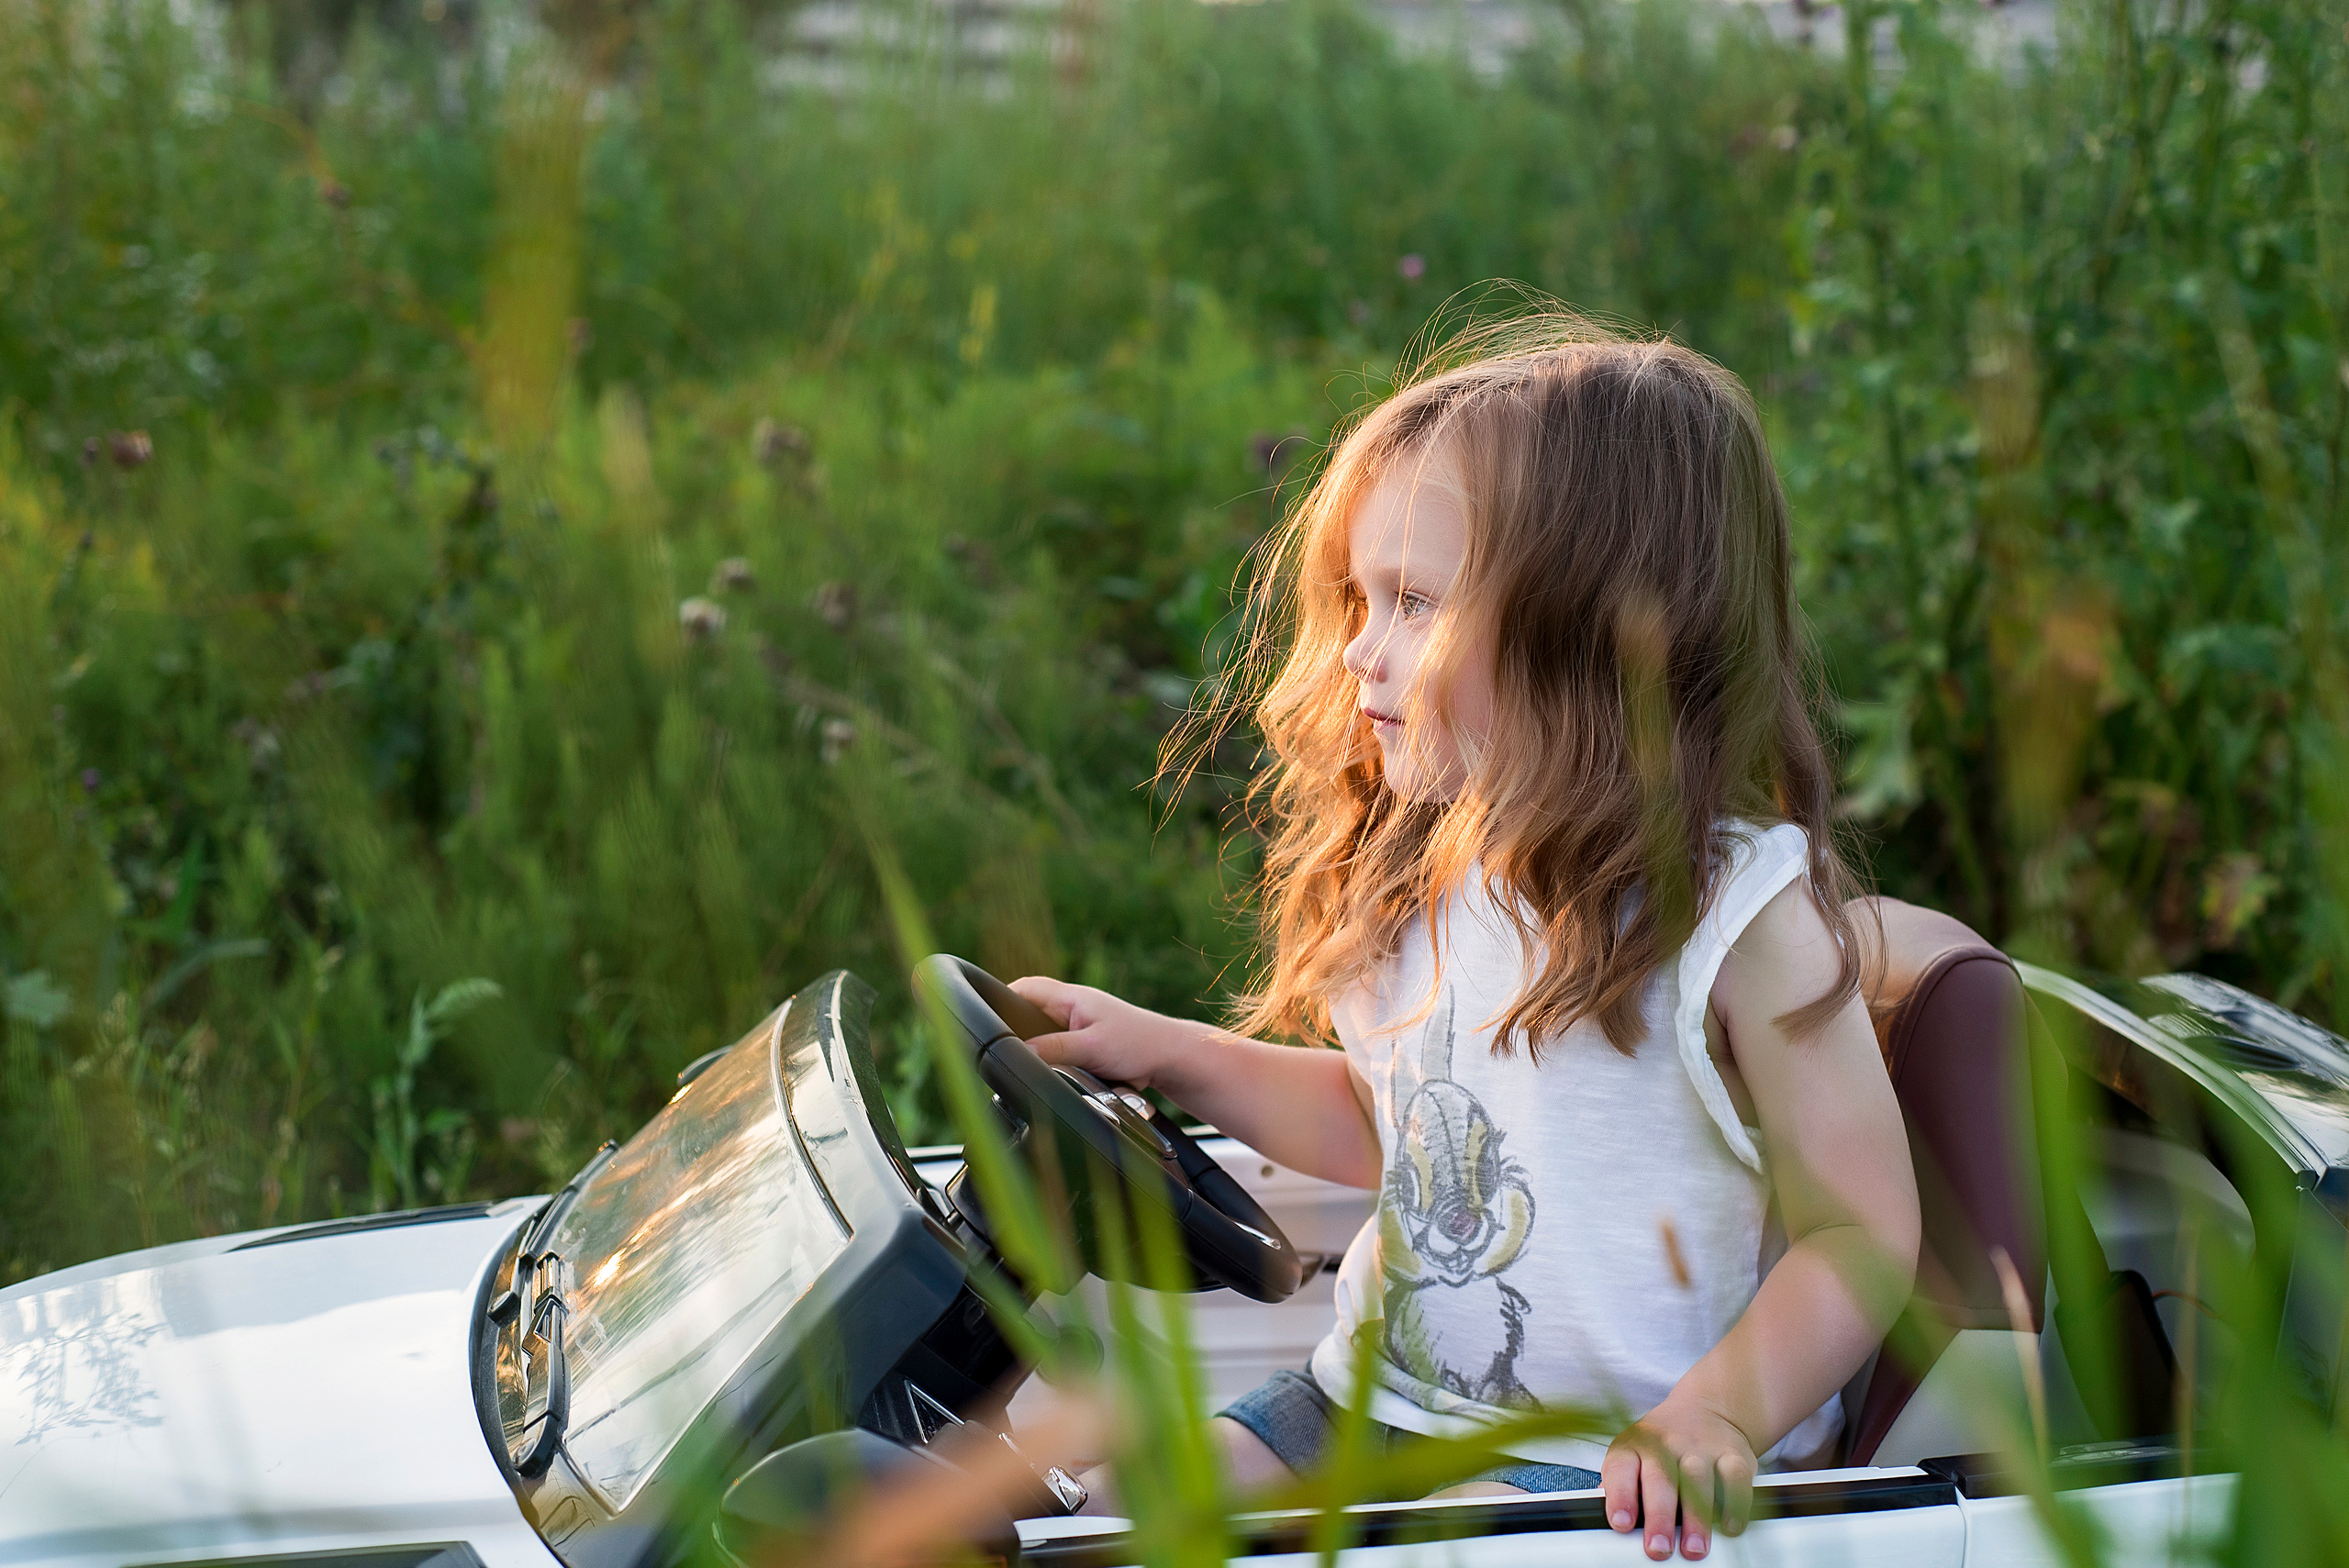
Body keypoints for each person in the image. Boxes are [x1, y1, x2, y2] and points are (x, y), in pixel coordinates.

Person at [1009, 316, 1920, 1563]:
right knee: (1085, 1510)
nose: (1360, 652)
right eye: (1359, 600)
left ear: (1592, 630)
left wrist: (1713, 1412)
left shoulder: (1736, 921)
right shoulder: (1429, 864)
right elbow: (1398, 1122)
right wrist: (1175, 1053)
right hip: (1369, 1408)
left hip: (1598, 1464)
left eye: (1415, 602)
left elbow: (1862, 1233)